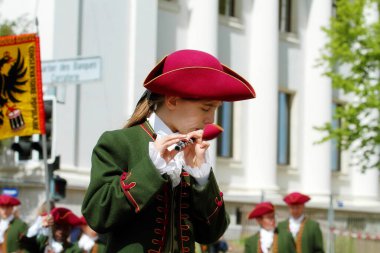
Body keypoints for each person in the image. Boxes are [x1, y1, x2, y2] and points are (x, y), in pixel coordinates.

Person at [81, 49, 256, 252]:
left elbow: (211, 234)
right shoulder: (118, 143)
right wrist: (151, 168)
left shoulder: (192, 151)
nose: (211, 120)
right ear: (172, 100)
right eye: (206, 108)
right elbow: (97, 216)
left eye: (216, 109)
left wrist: (202, 178)